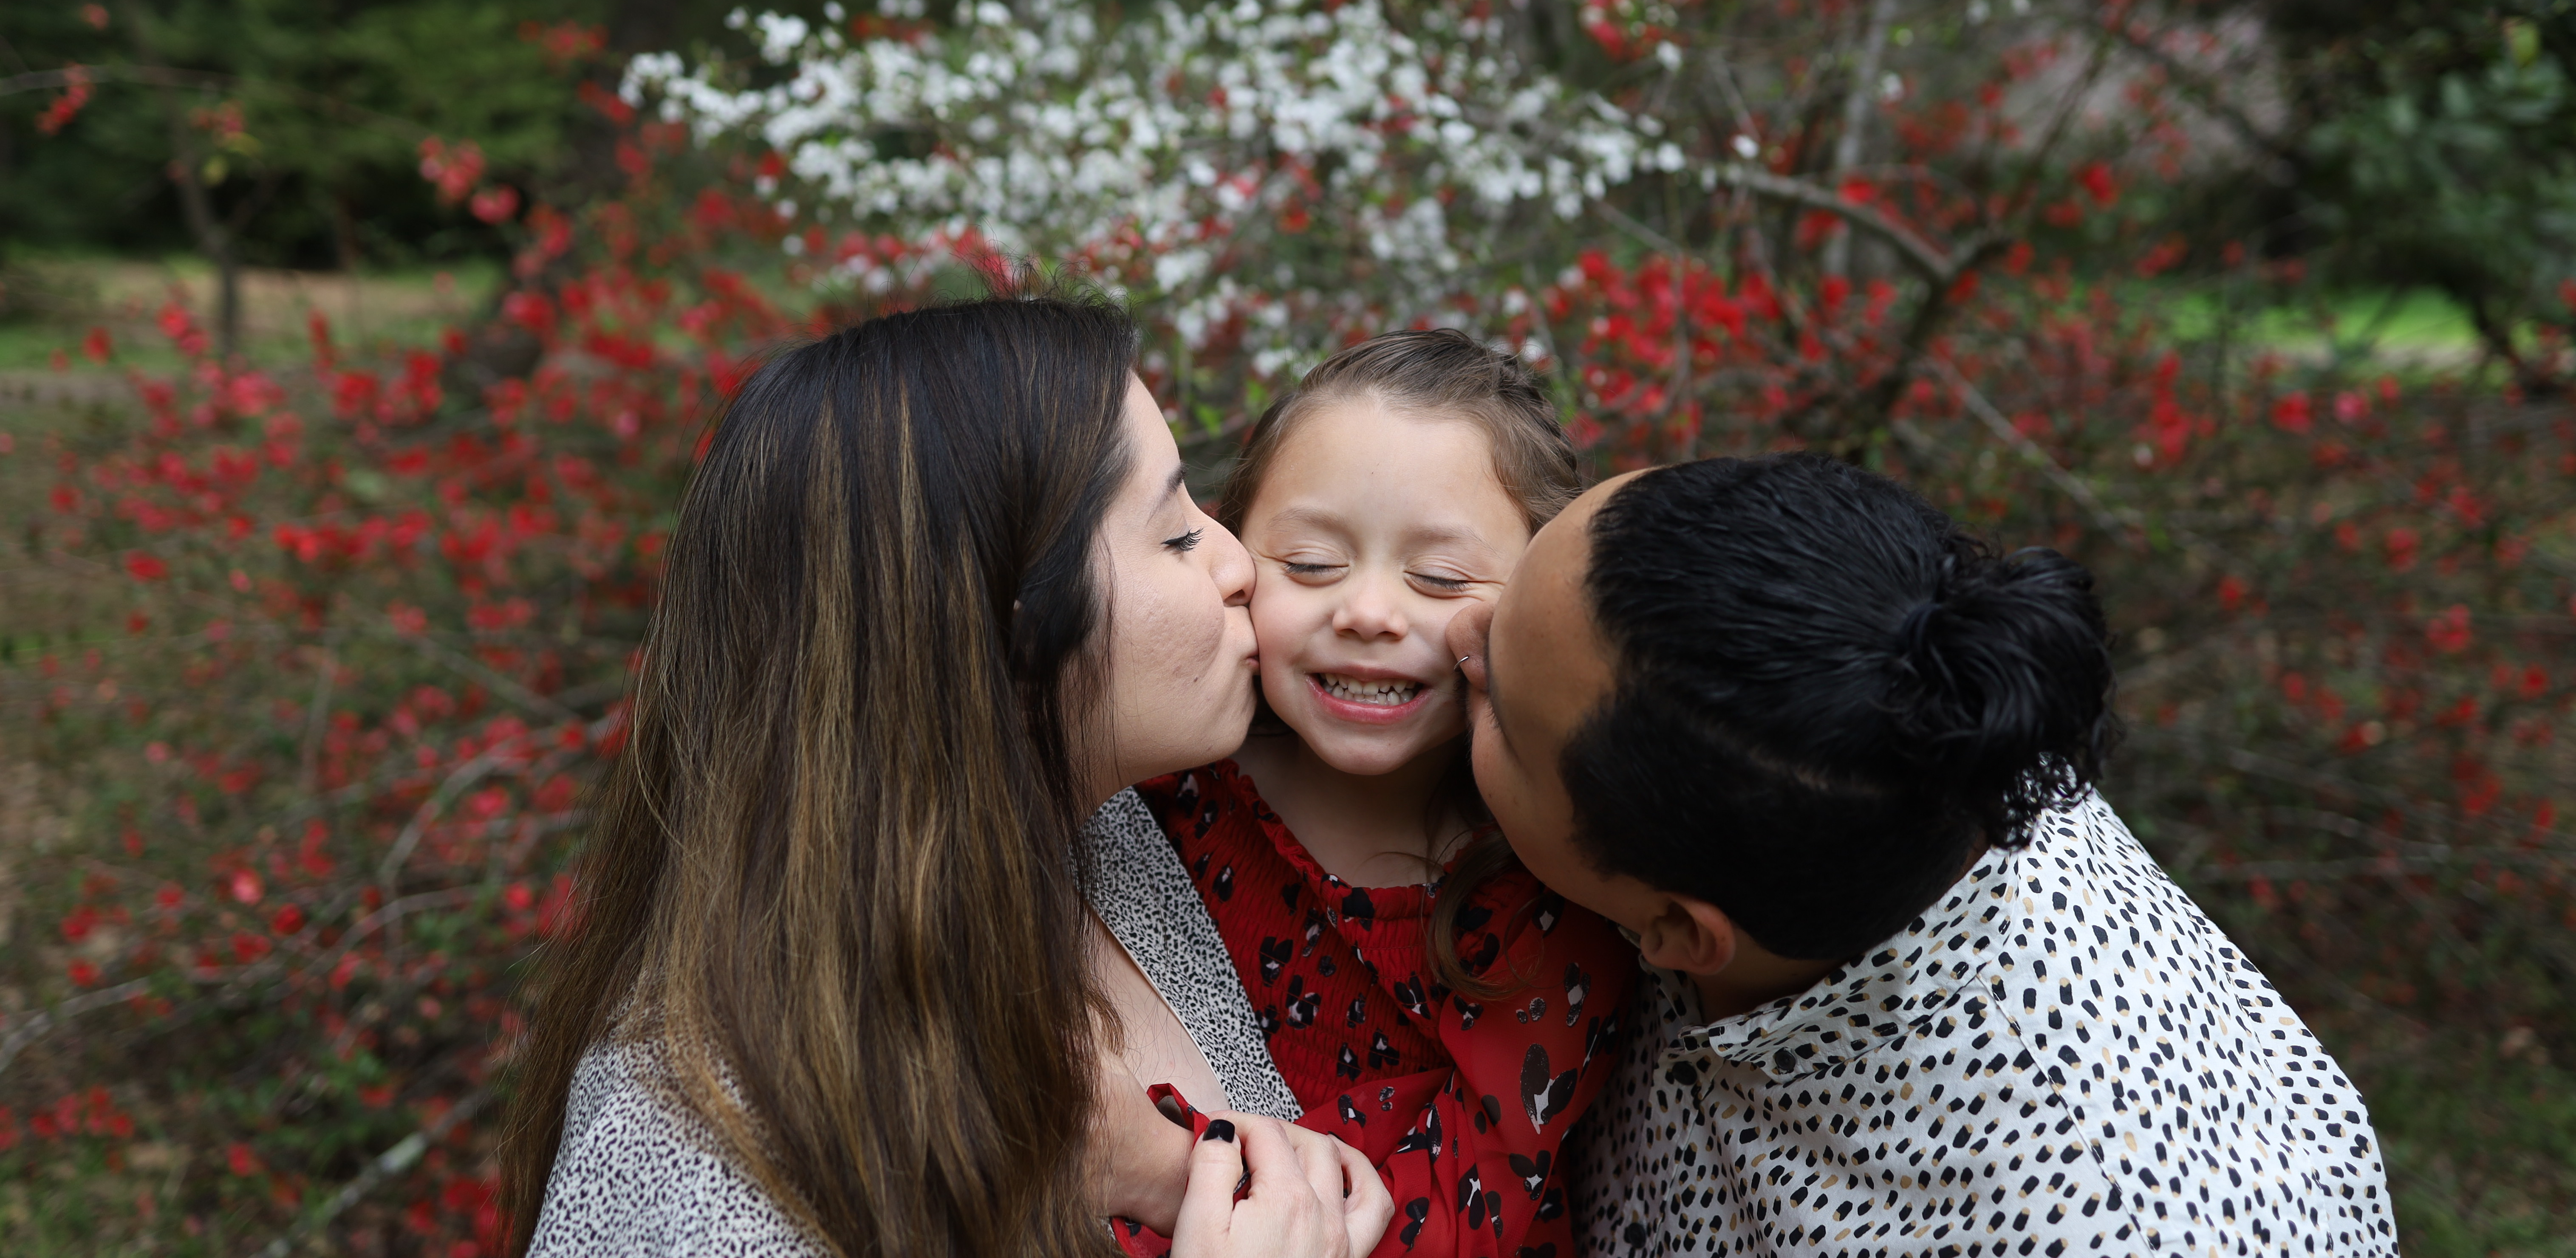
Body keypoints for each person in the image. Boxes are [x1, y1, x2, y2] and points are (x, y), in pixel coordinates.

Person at [498, 295, 1392, 1258]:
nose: (1237, 563)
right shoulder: (701, 1152)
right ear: (1003, 643)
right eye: (1175, 535)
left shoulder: (1111, 834)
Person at [1448, 453, 2400, 1256]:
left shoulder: (2103, 1215)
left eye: (1504, 715)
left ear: (1676, 930)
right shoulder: (1896, 723)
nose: (1456, 635)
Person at [1086, 331, 1637, 1258]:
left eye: (1440, 578)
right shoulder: (1163, 789)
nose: (1369, 611)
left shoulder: (1540, 878)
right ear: (1224, 552)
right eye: (1308, 564)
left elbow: (1470, 1205)